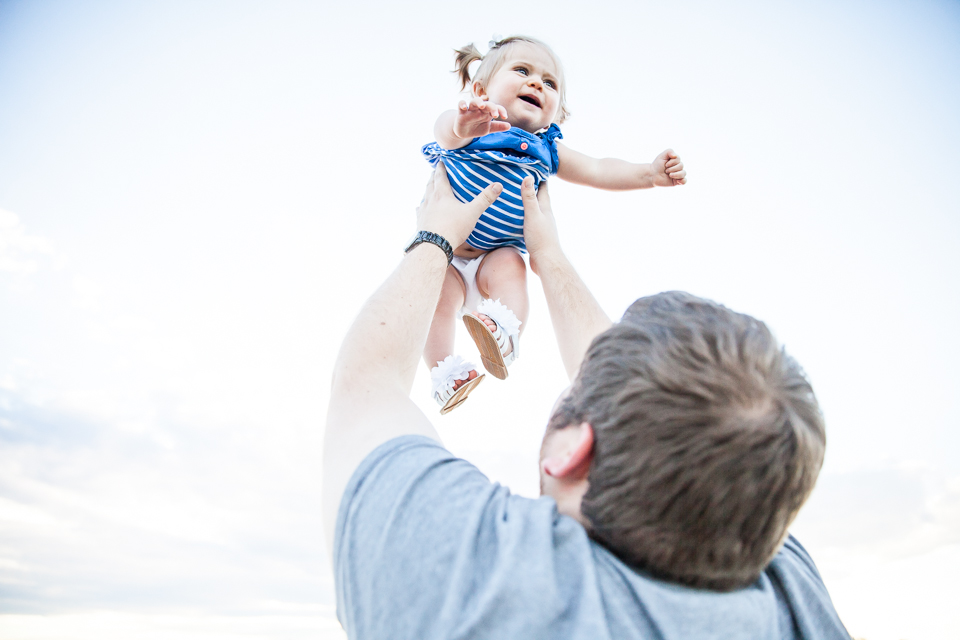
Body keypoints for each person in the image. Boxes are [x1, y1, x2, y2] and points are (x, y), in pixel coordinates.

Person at [323, 165, 851, 639]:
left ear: (572, 450)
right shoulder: (793, 597)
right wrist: (547, 255)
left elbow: (366, 384)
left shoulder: (475, 587)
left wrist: (434, 237)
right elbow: (670, 413)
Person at [421, 36, 688, 413]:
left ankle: (504, 330)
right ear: (481, 89)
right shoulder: (475, 124)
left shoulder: (547, 146)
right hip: (448, 253)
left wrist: (648, 174)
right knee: (437, 300)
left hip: (495, 253)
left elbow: (598, 168)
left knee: (513, 267)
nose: (536, 84)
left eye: (550, 83)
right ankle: (445, 374)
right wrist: (463, 123)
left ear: (555, 113)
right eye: (523, 71)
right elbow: (443, 128)